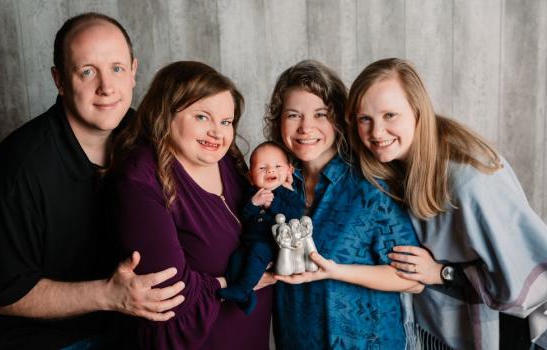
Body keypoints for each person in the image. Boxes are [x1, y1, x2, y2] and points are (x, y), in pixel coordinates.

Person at [0, 13, 184, 349]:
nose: (107, 87)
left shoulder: (149, 138)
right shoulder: (18, 168)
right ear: (60, 80)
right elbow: (2, 294)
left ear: (134, 71)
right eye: (87, 71)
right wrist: (109, 295)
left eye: (117, 69)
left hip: (130, 327)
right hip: (47, 340)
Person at [345, 57, 547, 349]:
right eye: (365, 118)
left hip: (500, 330)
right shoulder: (394, 167)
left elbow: (520, 285)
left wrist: (441, 273)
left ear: (417, 111)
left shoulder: (470, 181)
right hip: (437, 326)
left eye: (390, 115)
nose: (376, 133)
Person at [109, 61, 274, 349]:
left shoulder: (227, 160)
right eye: (202, 117)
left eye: (226, 122)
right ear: (166, 113)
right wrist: (240, 282)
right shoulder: (141, 178)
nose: (217, 133)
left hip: (248, 335)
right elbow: (168, 294)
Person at [264, 60, 424, 350]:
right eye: (293, 115)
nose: (305, 127)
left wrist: (336, 270)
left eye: (320, 114)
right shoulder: (272, 185)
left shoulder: (372, 186)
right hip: (296, 339)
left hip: (365, 342)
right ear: (279, 121)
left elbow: (413, 280)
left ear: (339, 120)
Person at [218, 141, 302, 314]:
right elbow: (244, 216)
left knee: (257, 252)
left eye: (277, 166)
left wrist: (273, 204)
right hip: (248, 243)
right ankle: (244, 295)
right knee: (235, 260)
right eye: (262, 168)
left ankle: (242, 290)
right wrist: (254, 203)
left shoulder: (289, 196)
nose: (270, 171)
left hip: (271, 245)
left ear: (289, 171)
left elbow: (295, 216)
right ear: (251, 177)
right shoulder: (252, 194)